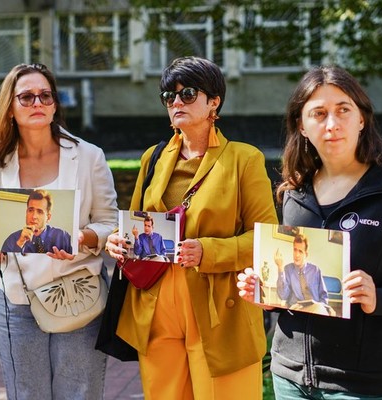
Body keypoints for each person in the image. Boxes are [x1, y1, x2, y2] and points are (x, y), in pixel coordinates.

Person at [237, 66, 382, 399]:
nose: (332, 124)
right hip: (289, 375)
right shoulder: (294, 192)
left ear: (361, 119)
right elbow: (297, 289)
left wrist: (380, 297)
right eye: (319, 113)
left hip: (360, 383)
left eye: (343, 110)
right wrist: (267, 293)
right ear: (301, 125)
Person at [104, 56, 278, 400]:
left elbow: (266, 239)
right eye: (169, 96)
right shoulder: (153, 158)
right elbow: (135, 221)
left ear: (214, 101)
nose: (176, 102)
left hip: (219, 309)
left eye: (188, 94)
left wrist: (208, 251)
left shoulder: (244, 159)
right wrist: (117, 240)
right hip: (155, 304)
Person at [0, 63, 118, 400]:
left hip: (79, 294)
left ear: (54, 105)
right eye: (26, 97)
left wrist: (82, 238)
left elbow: (110, 222)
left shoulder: (88, 156)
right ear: (10, 107)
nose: (37, 103)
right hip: (16, 301)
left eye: (45, 96)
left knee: (79, 395)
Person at [0, 189, 72, 254]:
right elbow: (5, 262)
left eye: (40, 212)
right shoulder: (12, 240)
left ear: (48, 217)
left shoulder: (62, 237)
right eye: (30, 210)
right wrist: (20, 244)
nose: (34, 216)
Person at [274, 233, 329, 311]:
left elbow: (324, 297)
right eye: (295, 250)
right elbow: (283, 296)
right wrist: (280, 268)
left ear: (306, 254)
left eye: (300, 251)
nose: (297, 255)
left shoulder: (315, 270)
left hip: (315, 309)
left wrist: (322, 308)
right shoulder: (287, 269)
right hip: (296, 309)